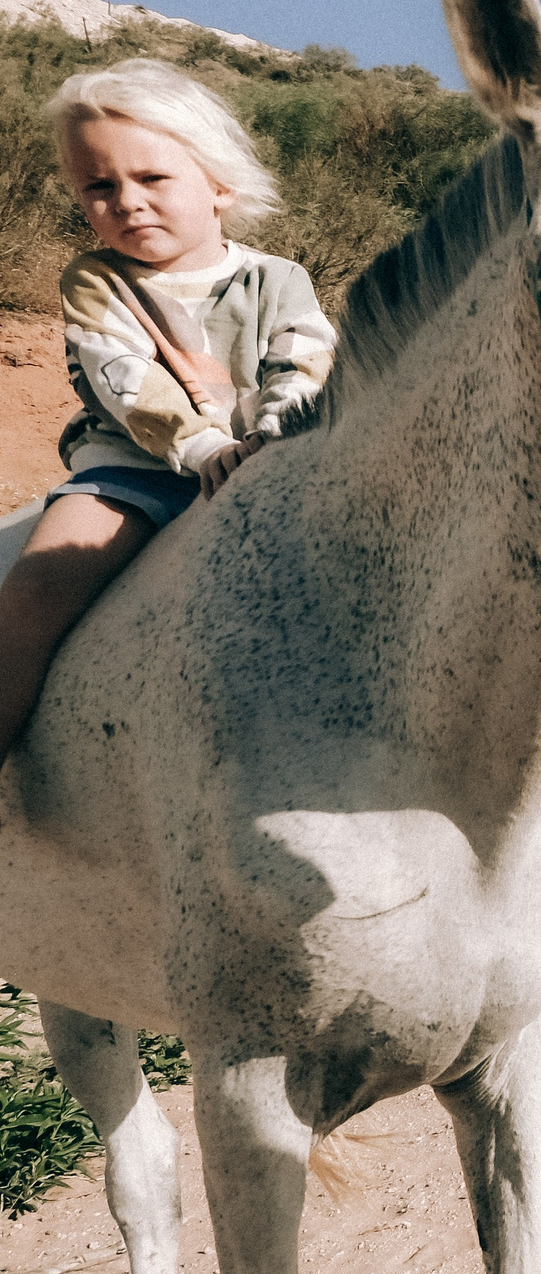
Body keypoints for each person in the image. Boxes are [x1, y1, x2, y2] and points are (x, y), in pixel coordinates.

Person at [0, 57, 335, 755]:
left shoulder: (278, 279)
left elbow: (302, 366)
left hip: (260, 465)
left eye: (152, 178)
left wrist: (269, 440)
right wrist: (208, 447)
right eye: (99, 186)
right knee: (31, 597)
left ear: (219, 185)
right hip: (133, 472)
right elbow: (126, 383)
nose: (125, 201)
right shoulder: (96, 282)